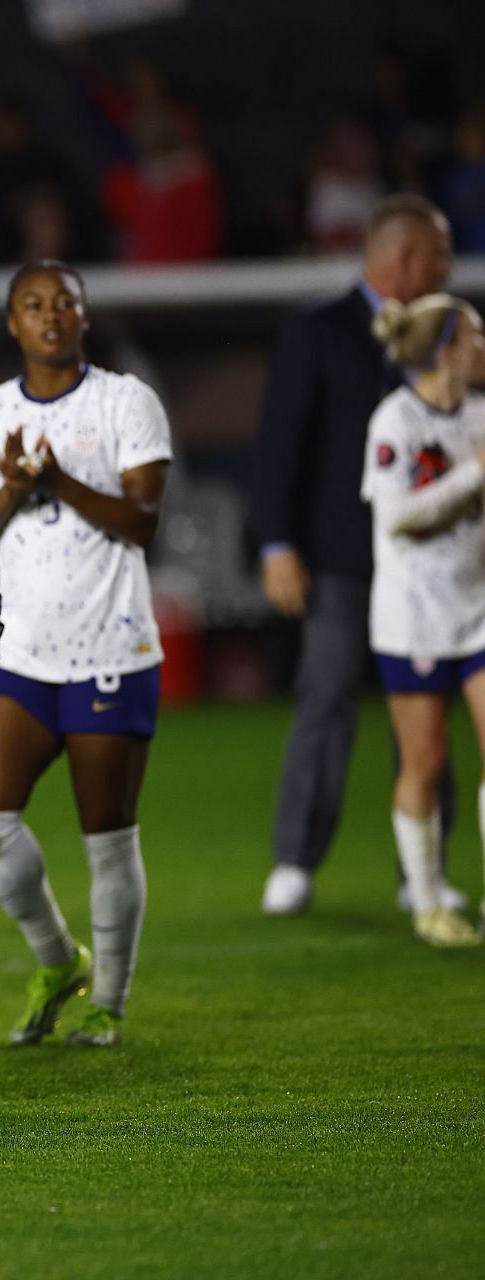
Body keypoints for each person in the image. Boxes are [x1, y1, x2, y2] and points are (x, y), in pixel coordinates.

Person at [0, 260, 170, 1050]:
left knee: (107, 833)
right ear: (13, 323)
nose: (50, 315)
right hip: (17, 656)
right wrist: (14, 487)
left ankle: (108, 1002)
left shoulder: (124, 400)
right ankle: (58, 958)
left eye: (64, 304)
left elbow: (145, 519)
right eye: (33, 304)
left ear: (84, 317)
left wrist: (62, 481)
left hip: (111, 645)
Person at [253, 196, 459, 916]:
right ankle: (296, 862)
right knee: (327, 698)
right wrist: (277, 544)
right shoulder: (317, 329)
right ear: (402, 260)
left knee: (429, 710)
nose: (449, 266)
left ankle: (422, 873)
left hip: (433, 561)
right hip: (341, 560)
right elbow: (279, 443)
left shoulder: (451, 333)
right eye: (440, 253)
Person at [361, 294, 485, 946]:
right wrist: (472, 478)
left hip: (478, 608)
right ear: (447, 350)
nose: (483, 347)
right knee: (426, 762)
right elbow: (396, 515)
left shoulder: (481, 414)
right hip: (413, 617)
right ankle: (429, 901)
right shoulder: (396, 421)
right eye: (476, 336)